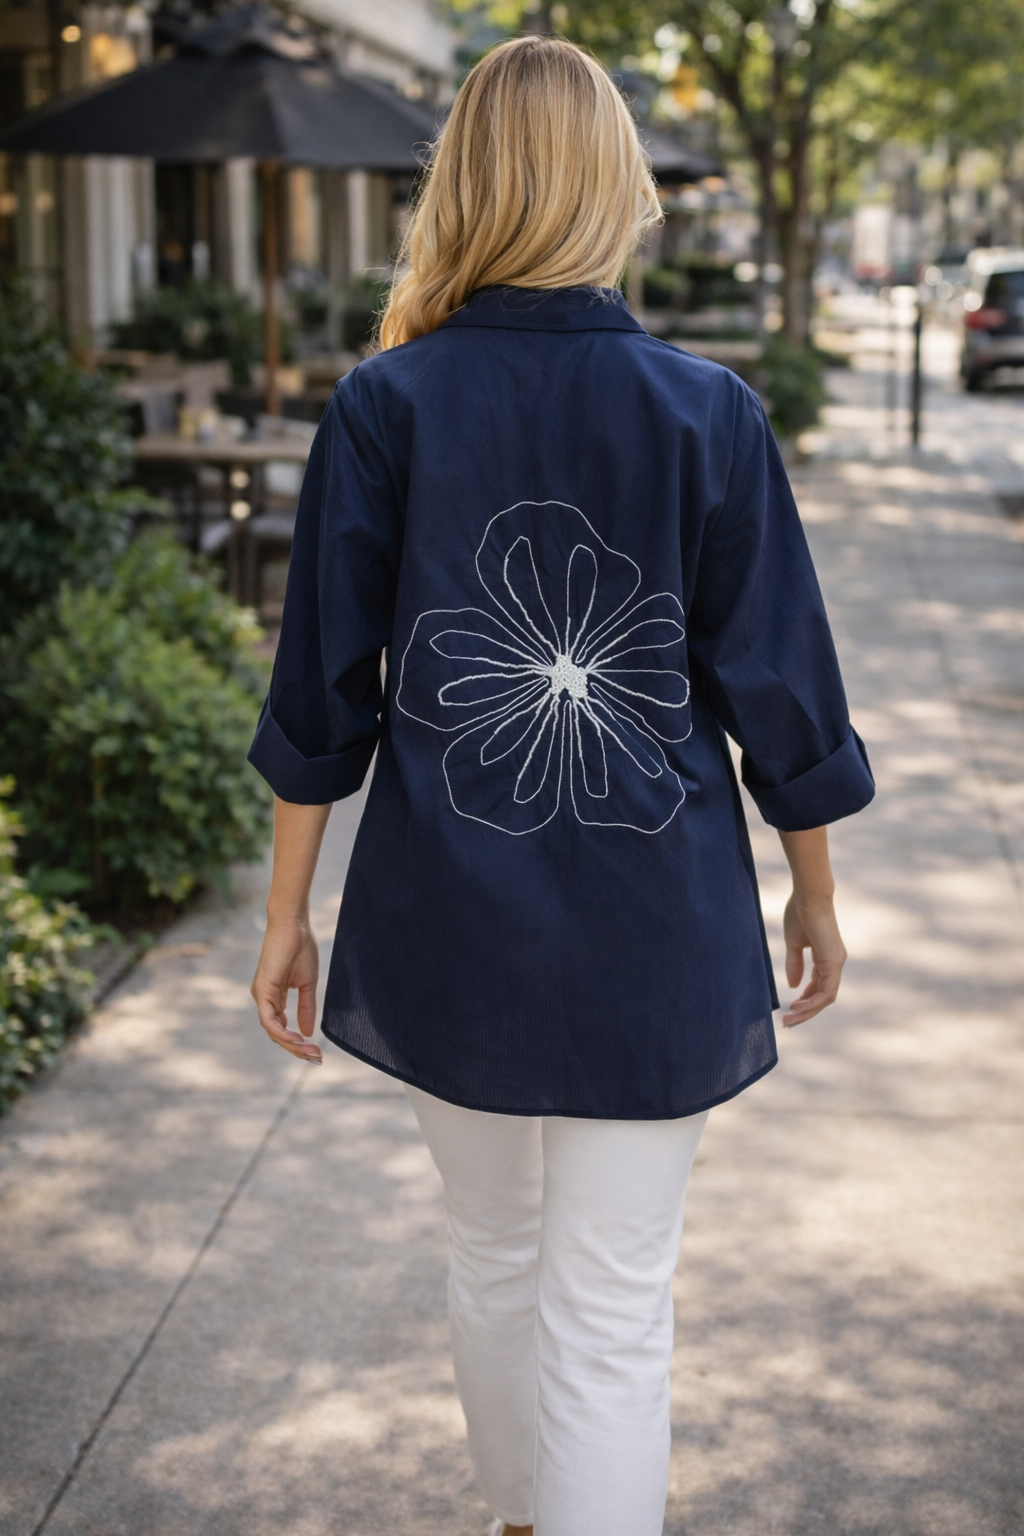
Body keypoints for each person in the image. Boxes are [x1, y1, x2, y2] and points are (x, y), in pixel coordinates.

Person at [247, 35, 874, 1536]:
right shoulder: (706, 411)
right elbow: (782, 686)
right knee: (611, 1301)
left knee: (492, 1258)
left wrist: (286, 913)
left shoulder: (385, 403)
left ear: (461, 184)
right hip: (657, 926)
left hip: (449, 919)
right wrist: (813, 891)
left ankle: (525, 1518)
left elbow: (321, 690)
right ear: (615, 187)